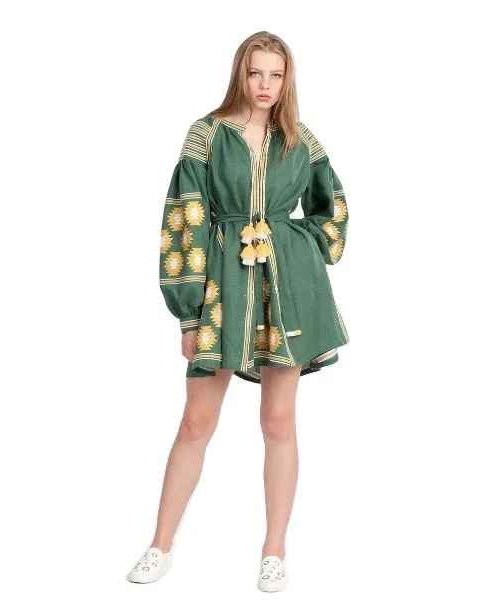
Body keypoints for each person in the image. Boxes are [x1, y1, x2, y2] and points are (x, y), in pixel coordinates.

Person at [126, 30, 350, 592]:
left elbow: (333, 206)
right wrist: (188, 312)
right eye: (255, 73)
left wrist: (301, 244)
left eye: (276, 74)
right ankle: (160, 545)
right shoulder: (206, 135)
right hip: (221, 288)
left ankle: (274, 550)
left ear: (287, 78)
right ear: (240, 74)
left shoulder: (299, 138)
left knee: (278, 421)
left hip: (286, 290)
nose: (265, 84)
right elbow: (184, 217)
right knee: (196, 421)